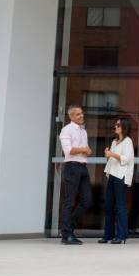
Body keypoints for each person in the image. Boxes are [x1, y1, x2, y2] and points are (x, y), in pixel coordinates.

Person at [59, 104, 93, 245]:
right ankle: (66, 235)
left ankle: (68, 228)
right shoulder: (66, 130)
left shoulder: (83, 131)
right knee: (69, 201)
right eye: (78, 114)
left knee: (87, 201)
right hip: (72, 167)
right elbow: (68, 151)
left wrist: (87, 150)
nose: (81, 116)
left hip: (83, 167)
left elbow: (84, 150)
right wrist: (84, 150)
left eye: (82, 113)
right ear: (71, 116)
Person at [98, 118, 135, 244]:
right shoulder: (114, 141)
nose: (116, 126)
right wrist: (107, 154)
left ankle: (122, 236)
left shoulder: (127, 141)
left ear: (124, 127)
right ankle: (108, 235)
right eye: (116, 124)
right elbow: (112, 158)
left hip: (121, 175)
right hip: (112, 175)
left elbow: (126, 159)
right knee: (108, 206)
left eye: (118, 125)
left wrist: (112, 154)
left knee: (120, 206)